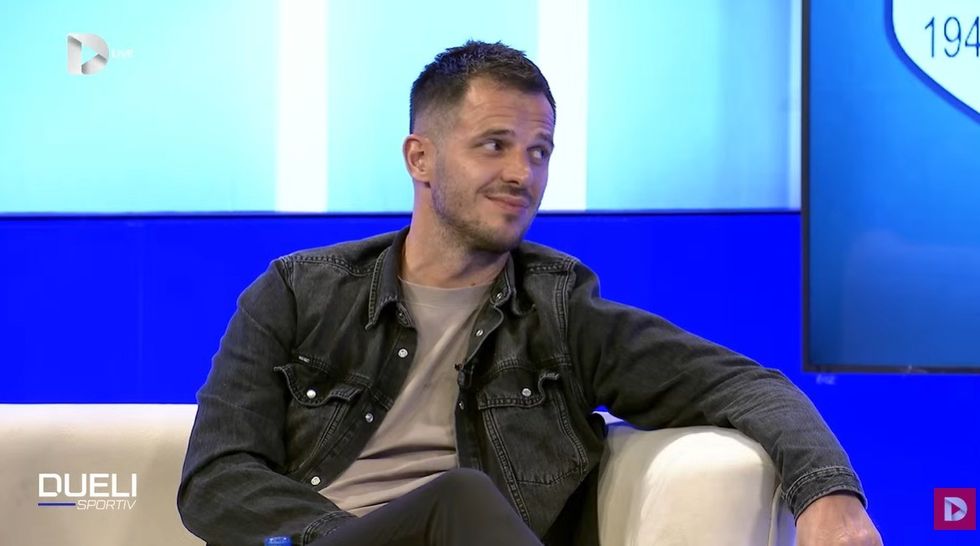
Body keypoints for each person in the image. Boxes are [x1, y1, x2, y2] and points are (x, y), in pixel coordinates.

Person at [177, 40, 883, 546]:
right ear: (420, 158)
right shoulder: (297, 293)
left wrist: (828, 495)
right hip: (333, 539)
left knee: (465, 502)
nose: (523, 173)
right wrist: (346, 533)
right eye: (494, 145)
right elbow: (214, 478)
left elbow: (744, 386)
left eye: (538, 151)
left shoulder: (560, 312)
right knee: (457, 498)